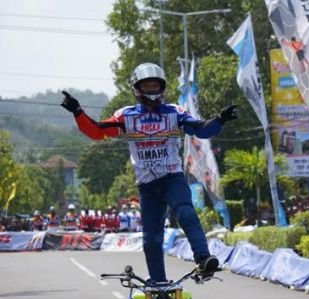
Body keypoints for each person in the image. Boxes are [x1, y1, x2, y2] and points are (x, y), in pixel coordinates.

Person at [60, 62, 238, 282]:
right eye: (147, 86)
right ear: (137, 89)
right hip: (147, 186)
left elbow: (201, 129)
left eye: (155, 86)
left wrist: (219, 119)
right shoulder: (126, 116)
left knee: (186, 212)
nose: (152, 90)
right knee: (151, 239)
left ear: (162, 88)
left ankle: (203, 259)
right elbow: (97, 131)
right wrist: (78, 112)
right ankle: (159, 283)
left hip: (172, 178)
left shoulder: (175, 112)